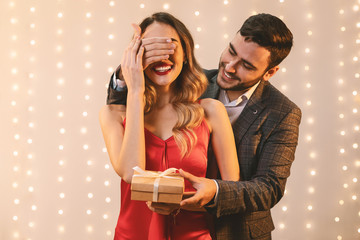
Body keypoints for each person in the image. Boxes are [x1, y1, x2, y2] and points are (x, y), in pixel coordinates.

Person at [107, 13, 302, 240]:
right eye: (231, 51)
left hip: (236, 230)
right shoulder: (192, 82)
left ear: (269, 73)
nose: (230, 67)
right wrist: (126, 72)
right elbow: (127, 103)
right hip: (158, 225)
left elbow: (269, 188)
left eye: (246, 65)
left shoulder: (283, 113)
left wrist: (214, 192)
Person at [99, 12, 240, 240]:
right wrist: (135, 90)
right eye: (151, 47)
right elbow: (131, 173)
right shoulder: (113, 114)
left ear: (185, 54)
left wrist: (182, 203)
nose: (162, 56)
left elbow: (231, 195)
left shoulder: (211, 111)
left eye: (170, 45)